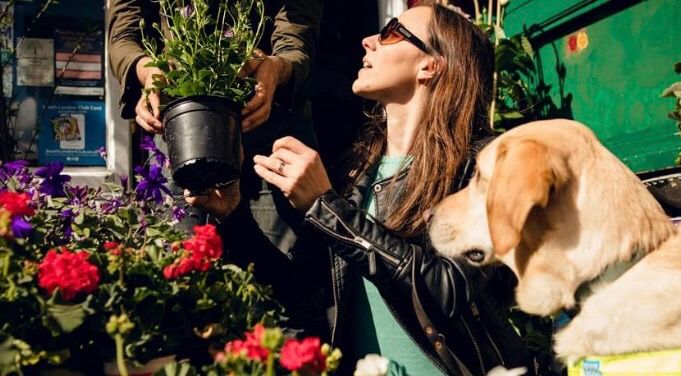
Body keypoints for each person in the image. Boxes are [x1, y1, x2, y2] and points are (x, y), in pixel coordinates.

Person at [189, 2, 532, 375]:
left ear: (430, 65)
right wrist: (233, 214)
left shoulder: (487, 164)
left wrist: (327, 208)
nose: (369, 41)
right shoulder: (357, 170)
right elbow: (301, 296)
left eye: (391, 33)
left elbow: (448, 290)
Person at [107, 0, 330, 340]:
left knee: (277, 300)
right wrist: (145, 72)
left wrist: (276, 69)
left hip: (270, 122)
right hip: (183, 125)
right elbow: (124, 29)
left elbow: (296, 35)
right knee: (179, 291)